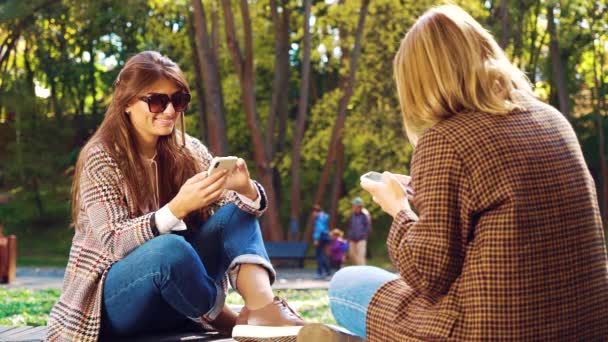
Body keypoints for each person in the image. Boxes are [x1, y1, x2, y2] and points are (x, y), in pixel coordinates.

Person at [303, 5, 608, 341]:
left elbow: (428, 276)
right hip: (586, 326)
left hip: (488, 330)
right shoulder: (553, 120)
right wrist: (428, 193)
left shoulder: (445, 139)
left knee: (347, 284)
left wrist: (399, 209)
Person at [46, 51, 305, 342]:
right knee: (168, 249)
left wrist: (244, 189)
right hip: (113, 306)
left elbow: (232, 216)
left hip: (178, 297)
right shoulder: (101, 157)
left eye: (178, 100)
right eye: (157, 100)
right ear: (127, 103)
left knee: (236, 213)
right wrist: (176, 209)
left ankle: (263, 312)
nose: (169, 111)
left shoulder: (188, 150)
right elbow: (114, 242)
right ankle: (231, 322)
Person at [346, 197, 370, 265]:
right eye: (353, 205)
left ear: (359, 206)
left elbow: (368, 227)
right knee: (352, 255)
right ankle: (357, 269)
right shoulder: (351, 215)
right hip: (352, 238)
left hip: (361, 238)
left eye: (354, 205)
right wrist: (349, 235)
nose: (353, 207)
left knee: (361, 256)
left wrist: (364, 235)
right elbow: (349, 226)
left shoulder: (365, 215)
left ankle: (362, 271)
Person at [311, 205, 331, 279]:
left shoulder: (319, 217)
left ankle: (320, 273)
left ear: (316, 211)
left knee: (319, 256)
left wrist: (316, 238)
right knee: (323, 255)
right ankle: (327, 272)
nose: (313, 215)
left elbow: (319, 228)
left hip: (321, 237)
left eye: (313, 212)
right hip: (326, 237)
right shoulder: (325, 216)